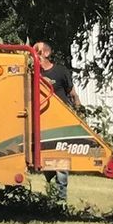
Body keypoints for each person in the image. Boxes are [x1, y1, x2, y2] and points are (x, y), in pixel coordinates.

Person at [34, 40, 71, 204]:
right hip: (42, 122)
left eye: (37, 51)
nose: (34, 53)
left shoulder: (60, 72)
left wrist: (79, 111)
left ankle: (61, 200)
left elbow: (73, 94)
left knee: (60, 162)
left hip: (61, 123)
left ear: (46, 53)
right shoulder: (35, 73)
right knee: (46, 162)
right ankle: (51, 196)